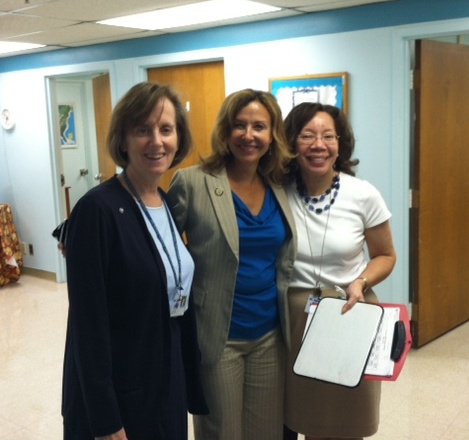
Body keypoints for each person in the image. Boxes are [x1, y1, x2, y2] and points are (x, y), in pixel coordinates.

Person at [61, 82, 208, 440]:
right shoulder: (98, 210)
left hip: (163, 379)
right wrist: (106, 420)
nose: (156, 141)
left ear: (179, 138)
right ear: (123, 140)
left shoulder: (165, 201)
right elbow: (87, 328)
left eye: (166, 129)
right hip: (119, 394)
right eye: (142, 130)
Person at [166, 89, 297, 440]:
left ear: (272, 136)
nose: (249, 135)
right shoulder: (193, 182)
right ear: (225, 131)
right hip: (218, 336)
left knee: (267, 433)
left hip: (270, 335)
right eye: (240, 125)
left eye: (259, 126)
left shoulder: (280, 185)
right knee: (221, 433)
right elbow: (154, 239)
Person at [282, 102, 397, 440]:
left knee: (344, 421)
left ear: (340, 143)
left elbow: (386, 255)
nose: (319, 145)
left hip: (348, 309)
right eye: (307, 136)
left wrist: (360, 281)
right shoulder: (276, 191)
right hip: (294, 317)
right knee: (298, 415)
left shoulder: (362, 194)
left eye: (328, 136)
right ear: (290, 142)